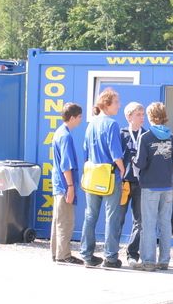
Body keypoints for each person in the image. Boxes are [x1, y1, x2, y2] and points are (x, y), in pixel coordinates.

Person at [80, 88, 126, 268]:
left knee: (90, 215)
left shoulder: (91, 124)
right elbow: (116, 153)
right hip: (109, 175)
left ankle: (87, 254)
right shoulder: (112, 124)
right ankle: (110, 257)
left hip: (92, 174)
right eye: (116, 102)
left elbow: (85, 150)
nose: (119, 105)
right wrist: (122, 170)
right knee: (112, 217)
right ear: (106, 104)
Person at [134, 102, 173, 271]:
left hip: (150, 186)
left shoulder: (145, 137)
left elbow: (141, 163)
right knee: (165, 224)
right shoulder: (171, 137)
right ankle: (164, 260)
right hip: (167, 186)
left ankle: (148, 261)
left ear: (150, 117)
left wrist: (132, 161)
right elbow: (172, 163)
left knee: (149, 224)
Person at [51, 102, 84, 265]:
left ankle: (56, 252)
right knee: (66, 220)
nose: (81, 120)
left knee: (58, 219)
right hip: (65, 185)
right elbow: (66, 165)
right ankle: (63, 255)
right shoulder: (66, 136)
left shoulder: (59, 133)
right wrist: (70, 187)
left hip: (59, 184)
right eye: (79, 117)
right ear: (72, 118)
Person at [117, 102, 147, 267]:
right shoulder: (121, 134)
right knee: (118, 219)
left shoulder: (147, 135)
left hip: (141, 184)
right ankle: (112, 252)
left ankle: (132, 254)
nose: (142, 118)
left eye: (143, 115)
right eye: (138, 115)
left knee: (140, 221)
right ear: (128, 117)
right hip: (124, 183)